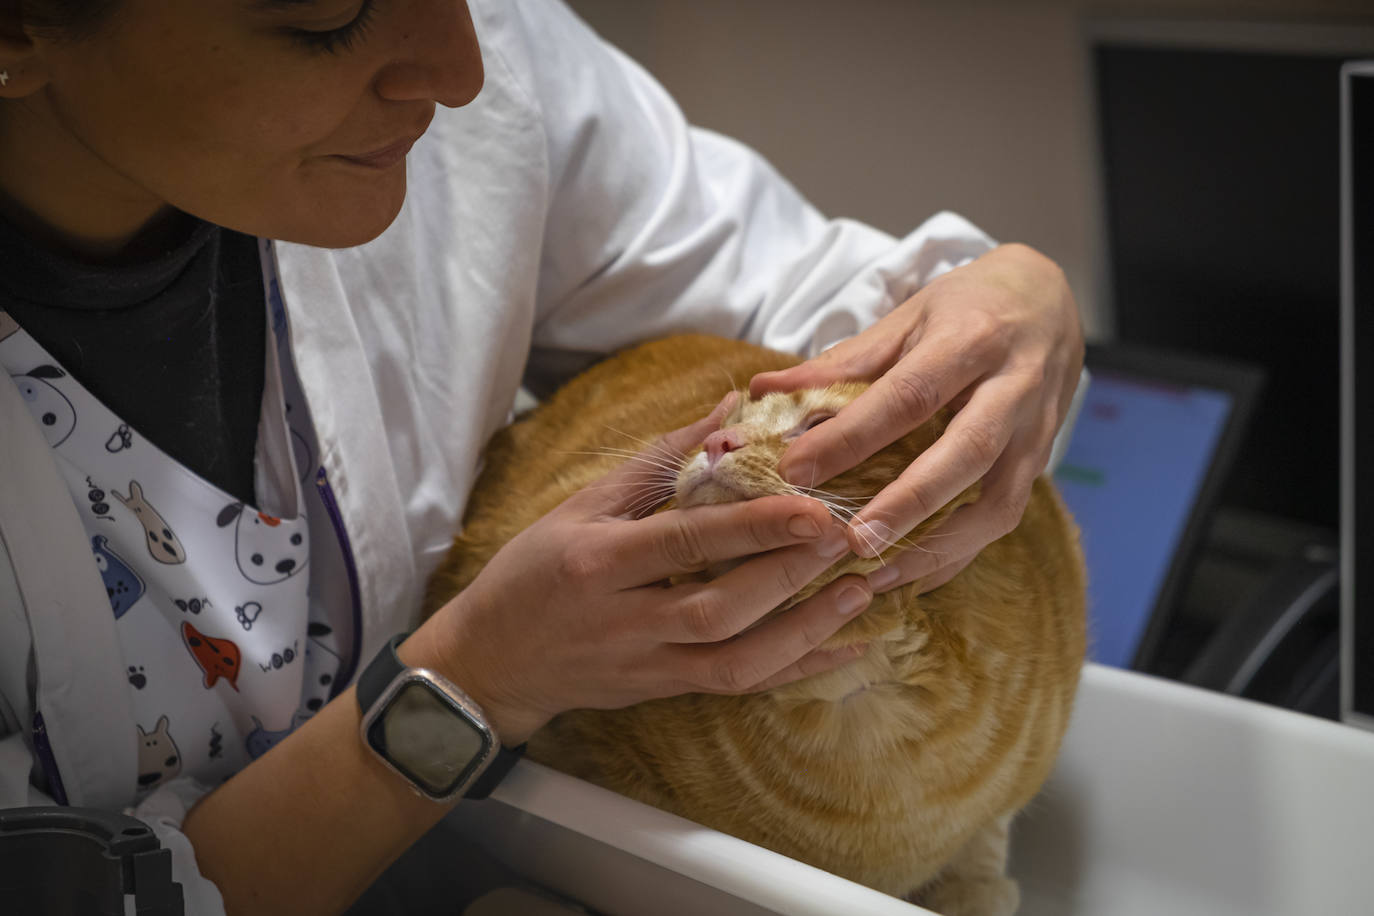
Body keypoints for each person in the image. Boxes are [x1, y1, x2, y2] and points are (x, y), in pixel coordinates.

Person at [0, 0, 1084, 913]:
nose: (461, 71)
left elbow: (817, 293)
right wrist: (475, 677)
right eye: (327, 16)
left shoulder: (483, 52)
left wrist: (1009, 298)